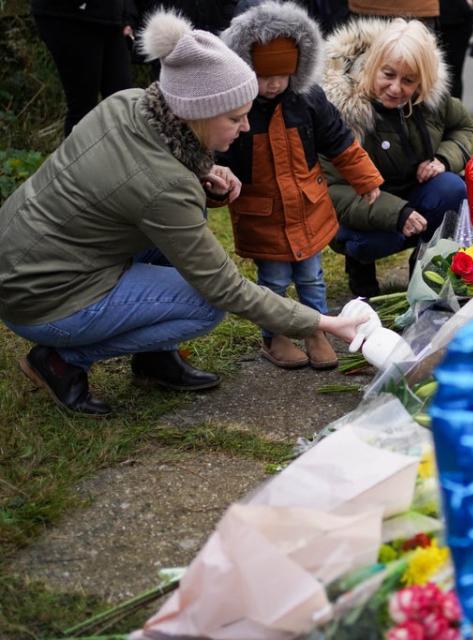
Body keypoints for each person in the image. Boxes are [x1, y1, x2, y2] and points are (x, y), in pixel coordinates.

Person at [0, 11, 367, 417]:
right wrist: (321, 323)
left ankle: (155, 360)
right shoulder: (164, 187)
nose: (245, 127)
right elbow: (224, 288)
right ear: (196, 112)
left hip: (21, 255)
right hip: (41, 299)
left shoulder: (127, 104)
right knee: (204, 307)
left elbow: (132, 177)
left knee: (176, 247)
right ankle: (61, 360)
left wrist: (203, 169)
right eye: (234, 117)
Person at [219, 1, 384, 370]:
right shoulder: (236, 109)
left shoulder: (308, 100)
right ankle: (274, 335)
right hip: (263, 215)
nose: (274, 83)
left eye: (282, 74)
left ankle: (316, 328)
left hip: (308, 209)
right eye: (263, 75)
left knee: (312, 276)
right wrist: (215, 187)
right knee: (273, 281)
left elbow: (339, 140)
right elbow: (220, 160)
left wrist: (366, 177)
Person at [321, 18, 473, 298]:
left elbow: (462, 127)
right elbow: (333, 190)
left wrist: (443, 159)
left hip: (414, 194)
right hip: (361, 206)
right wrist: (396, 213)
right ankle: (360, 269)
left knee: (452, 189)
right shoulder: (340, 112)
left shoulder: (431, 101)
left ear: (422, 80)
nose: (395, 88)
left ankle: (425, 268)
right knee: (374, 240)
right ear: (372, 66)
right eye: (387, 75)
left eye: (408, 80)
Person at [31, 0, 137, 137]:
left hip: (112, 18)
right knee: (83, 110)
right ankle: (76, 157)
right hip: (70, 18)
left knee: (123, 105)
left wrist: (128, 13)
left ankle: (119, 157)